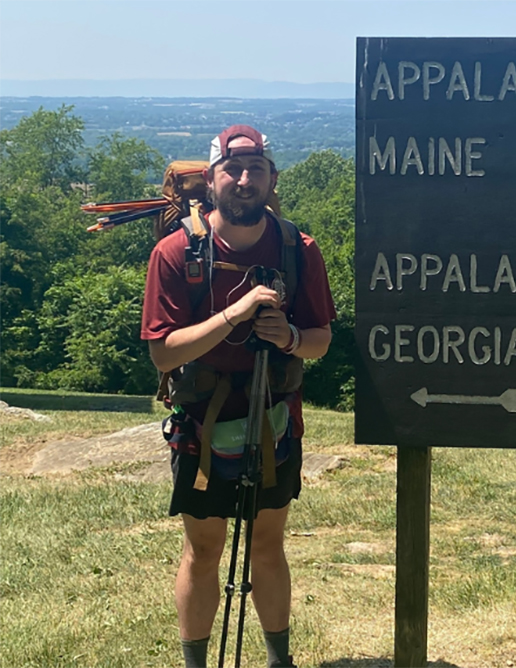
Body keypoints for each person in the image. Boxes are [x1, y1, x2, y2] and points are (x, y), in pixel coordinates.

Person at [141, 124, 337, 668]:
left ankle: (280, 661)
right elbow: (164, 353)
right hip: (202, 420)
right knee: (204, 552)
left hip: (274, 416)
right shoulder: (176, 252)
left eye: (255, 169)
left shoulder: (299, 249)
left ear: (272, 179)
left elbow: (321, 340)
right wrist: (237, 313)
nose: (244, 179)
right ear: (211, 180)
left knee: (267, 546)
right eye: (233, 169)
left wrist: (291, 338)